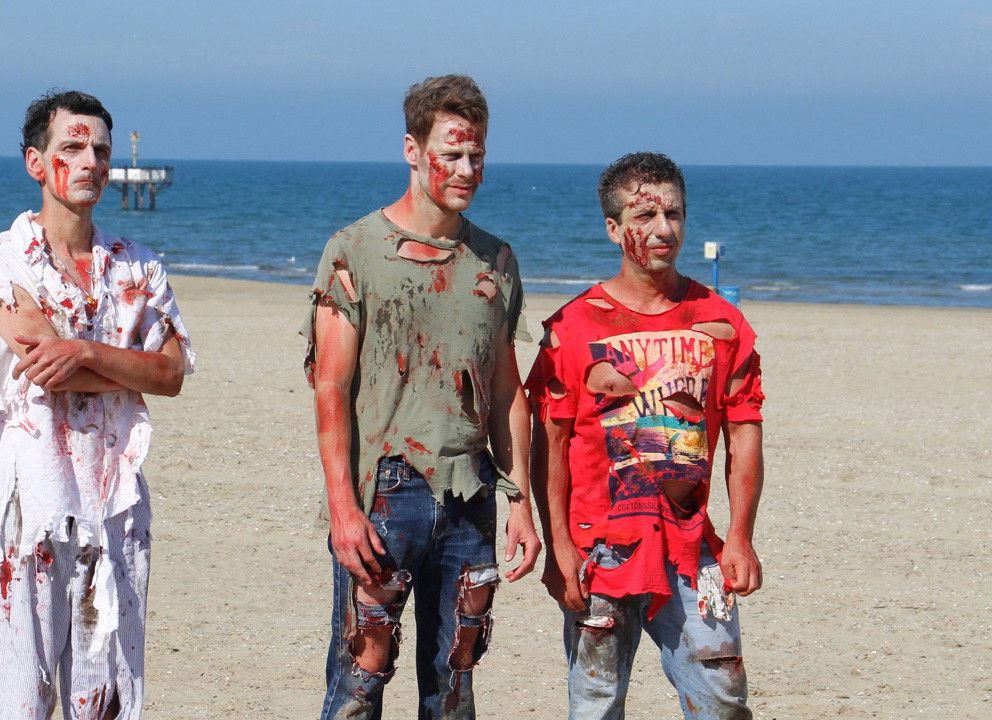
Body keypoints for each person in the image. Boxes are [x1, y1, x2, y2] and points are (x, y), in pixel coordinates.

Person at [0, 89, 195, 720]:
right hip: (26, 504)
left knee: (105, 699)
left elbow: (171, 374)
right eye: (73, 148)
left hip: (114, 506)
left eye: (101, 151)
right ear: (36, 162)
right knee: (13, 700)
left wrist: (85, 349)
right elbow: (47, 368)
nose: (91, 162)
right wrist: (125, 365)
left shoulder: (137, 266)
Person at [302, 74, 541, 719]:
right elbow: (330, 387)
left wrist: (520, 503)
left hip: (471, 497)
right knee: (359, 678)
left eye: (477, 156)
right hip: (385, 492)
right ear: (412, 150)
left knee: (454, 682)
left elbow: (506, 390)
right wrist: (342, 509)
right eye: (451, 154)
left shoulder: (495, 261)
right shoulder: (355, 251)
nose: (466, 170)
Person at [525, 152, 765, 719]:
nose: (663, 229)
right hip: (598, 548)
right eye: (644, 216)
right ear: (614, 229)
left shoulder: (723, 323)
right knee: (597, 700)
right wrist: (559, 547)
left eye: (673, 214)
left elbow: (744, 435)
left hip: (692, 544)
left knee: (723, 693)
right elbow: (549, 446)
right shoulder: (572, 328)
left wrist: (741, 536)